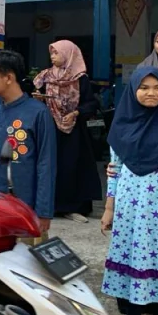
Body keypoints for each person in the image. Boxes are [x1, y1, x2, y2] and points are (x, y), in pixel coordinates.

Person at [101, 66, 158, 315]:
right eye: (143, 87)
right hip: (131, 209)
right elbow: (114, 169)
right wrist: (109, 208)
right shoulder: (121, 125)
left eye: (157, 87)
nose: (151, 93)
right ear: (132, 90)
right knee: (133, 259)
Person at [0, 50, 55, 236]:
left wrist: (43, 212)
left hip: (23, 208)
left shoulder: (38, 113)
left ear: (8, 77)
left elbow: (46, 165)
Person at [33, 40, 101, 223]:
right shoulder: (45, 76)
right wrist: (39, 99)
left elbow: (92, 103)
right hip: (50, 127)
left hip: (74, 131)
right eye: (51, 54)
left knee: (72, 165)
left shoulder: (80, 78)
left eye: (56, 53)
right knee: (50, 165)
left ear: (68, 54)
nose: (53, 57)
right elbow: (34, 96)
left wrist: (75, 113)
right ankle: (51, 206)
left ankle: (73, 208)